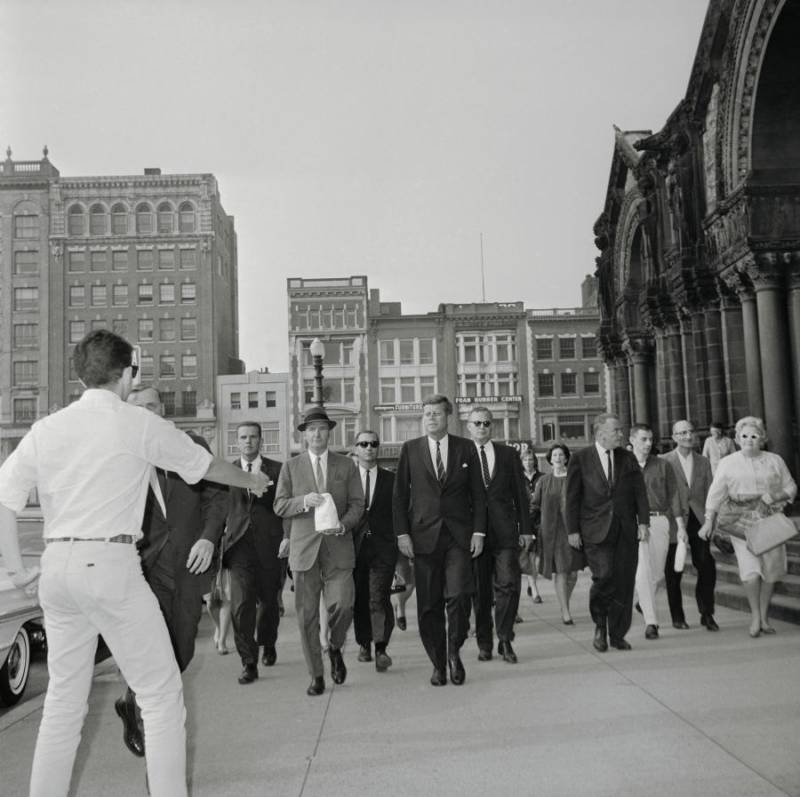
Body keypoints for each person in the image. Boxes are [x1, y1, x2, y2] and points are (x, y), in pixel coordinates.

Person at [0, 330, 268, 797]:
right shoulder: (135, 423)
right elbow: (205, 466)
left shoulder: (47, 428)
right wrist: (254, 481)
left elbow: (6, 498)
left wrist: (16, 568)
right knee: (161, 695)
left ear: (81, 377)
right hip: (109, 564)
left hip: (57, 568)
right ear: (127, 375)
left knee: (63, 705)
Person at [113, 385, 229, 758]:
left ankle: (133, 701)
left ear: (162, 408)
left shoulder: (190, 444)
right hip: (143, 566)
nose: (146, 412)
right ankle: (149, 722)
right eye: (138, 407)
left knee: (182, 648)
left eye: (152, 405)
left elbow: (217, 497)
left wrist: (208, 538)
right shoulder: (123, 452)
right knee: (151, 648)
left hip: (189, 562)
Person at [392, 394, 486, 686]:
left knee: (459, 596)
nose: (431, 418)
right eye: (427, 413)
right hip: (423, 538)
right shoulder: (410, 449)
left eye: (436, 413)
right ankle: (438, 663)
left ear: (448, 417)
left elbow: (478, 495)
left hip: (459, 537)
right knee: (429, 605)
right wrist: (402, 534)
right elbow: (399, 496)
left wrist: (479, 532)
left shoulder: (466, 448)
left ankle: (454, 652)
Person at [274, 408, 364, 696]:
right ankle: (316, 675)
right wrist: (303, 501)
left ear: (329, 432)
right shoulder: (291, 467)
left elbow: (358, 504)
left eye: (322, 429)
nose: (317, 434)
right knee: (307, 617)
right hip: (304, 551)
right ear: (304, 434)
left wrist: (343, 525)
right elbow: (279, 505)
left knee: (344, 604)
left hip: (338, 547)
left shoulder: (346, 465)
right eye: (311, 429)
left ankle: (335, 646)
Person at [699, 416, 797, 638]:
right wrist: (708, 520)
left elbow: (791, 487)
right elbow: (715, 493)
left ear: (762, 438)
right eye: (744, 436)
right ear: (737, 438)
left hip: (770, 521)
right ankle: (755, 616)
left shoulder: (775, 460)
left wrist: (776, 496)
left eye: (754, 436)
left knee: (771, 572)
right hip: (741, 521)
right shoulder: (728, 463)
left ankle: (764, 617)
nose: (749, 440)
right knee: (750, 571)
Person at [565, 413, 650, 652]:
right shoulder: (581, 459)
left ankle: (618, 633)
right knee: (603, 577)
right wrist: (572, 530)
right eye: (617, 431)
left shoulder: (628, 457)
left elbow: (639, 492)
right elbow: (571, 497)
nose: (621, 435)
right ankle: (600, 625)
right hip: (595, 530)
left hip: (625, 530)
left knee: (624, 582)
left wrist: (643, 522)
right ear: (601, 433)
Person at [221, 421, 284, 685]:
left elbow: (284, 506)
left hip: (270, 546)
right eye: (243, 437)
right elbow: (219, 509)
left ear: (261, 440)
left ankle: (268, 642)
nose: (248, 441)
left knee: (269, 602)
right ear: (237, 441)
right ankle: (248, 661)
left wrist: (287, 538)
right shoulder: (227, 472)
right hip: (239, 547)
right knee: (241, 604)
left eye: (253, 437)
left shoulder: (277, 470)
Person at [467, 407, 530, 663]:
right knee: (480, 591)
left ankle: (505, 638)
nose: (482, 427)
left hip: (505, 533)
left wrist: (526, 529)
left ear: (492, 426)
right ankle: (484, 643)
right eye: (477, 423)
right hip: (474, 536)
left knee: (508, 584)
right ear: (469, 426)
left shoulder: (508, 454)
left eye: (486, 423)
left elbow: (520, 494)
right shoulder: (462, 455)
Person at [629, 424, 685, 640]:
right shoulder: (624, 466)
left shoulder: (663, 465)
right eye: (643, 439)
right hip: (635, 523)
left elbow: (674, 495)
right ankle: (651, 622)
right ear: (632, 440)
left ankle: (644, 602)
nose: (648, 443)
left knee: (658, 574)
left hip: (659, 520)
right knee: (642, 571)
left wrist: (680, 526)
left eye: (650, 439)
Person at [662, 420, 718, 631]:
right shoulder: (664, 461)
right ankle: (677, 616)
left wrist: (711, 521)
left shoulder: (703, 462)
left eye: (690, 432)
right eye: (682, 433)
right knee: (673, 570)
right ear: (674, 437)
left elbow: (711, 492)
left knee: (706, 565)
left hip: (698, 521)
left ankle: (707, 613)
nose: (688, 436)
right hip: (673, 522)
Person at [352, 430, 398, 672]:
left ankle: (381, 647)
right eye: (363, 444)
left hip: (383, 549)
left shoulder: (391, 479)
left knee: (378, 597)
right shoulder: (347, 480)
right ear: (356, 448)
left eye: (373, 443)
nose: (369, 448)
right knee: (360, 598)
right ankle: (364, 644)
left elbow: (399, 513)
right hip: (355, 549)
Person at [532, 443, 584, 625]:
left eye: (561, 455)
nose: (558, 458)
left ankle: (564, 603)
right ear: (550, 459)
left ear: (567, 458)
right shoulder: (543, 481)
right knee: (561, 571)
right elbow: (534, 505)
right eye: (555, 455)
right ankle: (566, 612)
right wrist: (533, 528)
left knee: (573, 574)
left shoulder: (575, 480)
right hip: (552, 533)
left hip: (573, 531)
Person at [519, 447, 543, 606]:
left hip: (540, 521)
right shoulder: (517, 478)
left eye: (531, 459)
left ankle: (531, 582)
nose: (528, 462)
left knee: (538, 558)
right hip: (524, 520)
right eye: (525, 460)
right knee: (529, 555)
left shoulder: (542, 477)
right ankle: (534, 589)